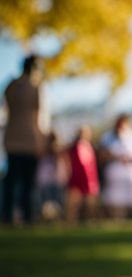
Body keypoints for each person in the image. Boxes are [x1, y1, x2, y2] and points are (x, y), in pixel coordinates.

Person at [2, 54, 47, 225]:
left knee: (11, 182)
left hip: (11, 139)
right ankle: (27, 216)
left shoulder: (11, 86)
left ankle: (7, 216)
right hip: (29, 140)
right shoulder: (35, 88)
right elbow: (39, 117)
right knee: (28, 183)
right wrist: (42, 141)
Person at [100, 113, 132, 219]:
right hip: (115, 177)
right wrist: (116, 157)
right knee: (116, 207)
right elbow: (102, 155)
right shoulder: (108, 137)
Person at [66, 125, 100, 223]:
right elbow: (82, 164)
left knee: (90, 202)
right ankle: (71, 220)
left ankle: (89, 219)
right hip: (79, 176)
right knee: (75, 202)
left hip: (89, 178)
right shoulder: (77, 147)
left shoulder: (88, 146)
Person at [36, 131, 68, 220]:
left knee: (58, 201)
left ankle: (58, 218)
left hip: (57, 180)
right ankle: (44, 218)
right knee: (45, 202)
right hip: (45, 180)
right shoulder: (43, 150)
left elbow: (64, 163)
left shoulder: (60, 151)